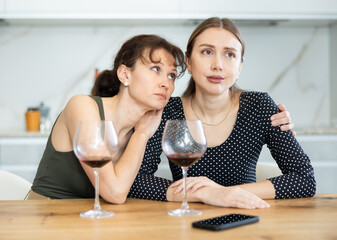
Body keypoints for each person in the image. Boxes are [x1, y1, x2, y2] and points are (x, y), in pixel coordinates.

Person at [125, 18, 316, 209]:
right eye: (207, 52)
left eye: (230, 55)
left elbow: (304, 179)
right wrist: (206, 193)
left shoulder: (259, 106)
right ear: (189, 62)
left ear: (239, 67)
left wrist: (225, 194)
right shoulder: (166, 111)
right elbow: (134, 180)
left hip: (247, 220)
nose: (218, 65)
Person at [27, 34, 186, 203]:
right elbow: (115, 193)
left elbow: (131, 189)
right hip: (46, 219)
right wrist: (142, 134)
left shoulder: (146, 126)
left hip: (94, 221)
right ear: (125, 74)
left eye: (172, 75)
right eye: (156, 69)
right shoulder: (82, 106)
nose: (166, 84)